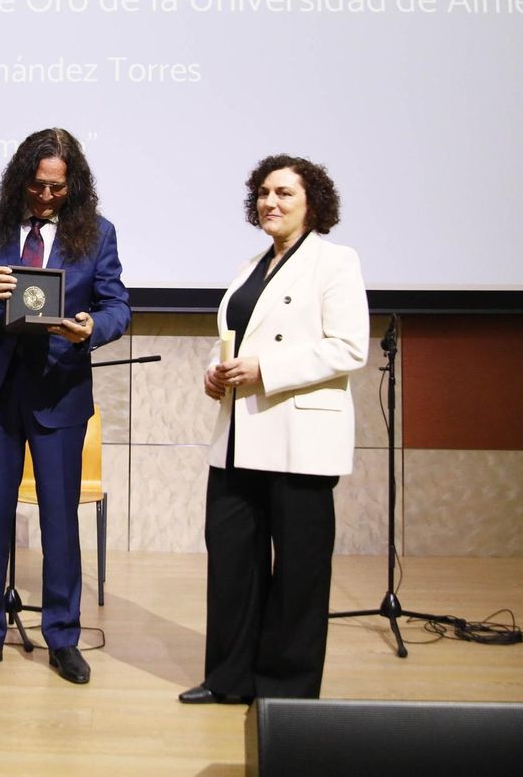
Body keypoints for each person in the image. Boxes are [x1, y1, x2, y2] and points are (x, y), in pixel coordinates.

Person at [180, 154, 369, 704]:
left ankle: (285, 690)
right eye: (264, 192)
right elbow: (237, 342)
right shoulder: (249, 266)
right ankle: (229, 680)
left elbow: (350, 347)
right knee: (233, 564)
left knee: (299, 572)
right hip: (239, 436)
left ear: (313, 204)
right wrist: (216, 375)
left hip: (299, 440)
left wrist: (269, 371)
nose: (271, 203)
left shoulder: (335, 262)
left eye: (285, 193)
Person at [0, 127, 130, 685]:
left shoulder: (97, 233)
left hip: (61, 392)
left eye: (57, 189)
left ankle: (63, 637)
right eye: (37, 186)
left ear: (73, 186)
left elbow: (118, 305)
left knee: (58, 521)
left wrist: (90, 328)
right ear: (20, 178)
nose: (46, 197)